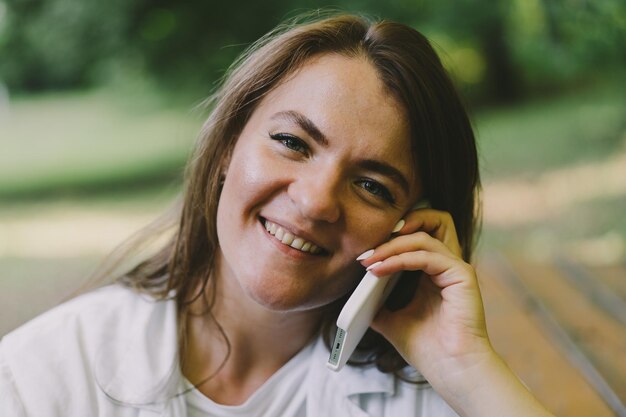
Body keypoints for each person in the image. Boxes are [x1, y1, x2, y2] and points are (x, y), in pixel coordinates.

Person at [0, 13, 556, 417]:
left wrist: (466, 371)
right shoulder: (42, 373)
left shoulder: (430, 398)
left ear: (413, 227)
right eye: (292, 141)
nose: (316, 200)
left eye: (371, 185)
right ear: (225, 149)